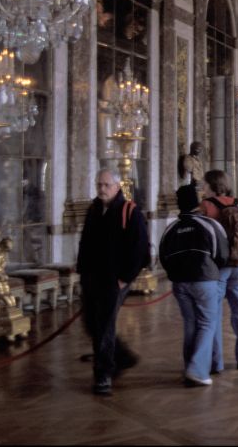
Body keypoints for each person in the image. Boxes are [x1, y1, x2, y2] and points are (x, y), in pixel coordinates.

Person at [76, 168, 150, 396]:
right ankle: (123, 357)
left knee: (104, 327)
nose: (102, 189)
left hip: (114, 280)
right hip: (92, 278)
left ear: (117, 187)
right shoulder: (94, 209)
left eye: (106, 185)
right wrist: (82, 272)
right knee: (91, 323)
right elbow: (85, 243)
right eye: (99, 184)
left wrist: (124, 279)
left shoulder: (130, 211)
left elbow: (141, 249)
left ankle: (103, 375)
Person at [162, 185, 228, 387]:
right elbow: (222, 254)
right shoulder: (209, 225)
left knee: (190, 324)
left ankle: (190, 367)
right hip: (205, 280)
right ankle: (197, 370)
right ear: (197, 202)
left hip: (180, 283)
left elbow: (163, 257)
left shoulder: (170, 229)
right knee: (207, 324)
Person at [199, 170, 238, 372]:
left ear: (211, 185)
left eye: (204, 184)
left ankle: (216, 363)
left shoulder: (206, 206)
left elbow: (200, 238)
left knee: (213, 314)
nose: (202, 187)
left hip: (217, 268)